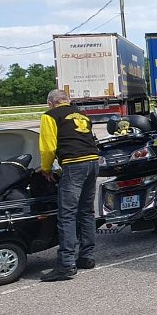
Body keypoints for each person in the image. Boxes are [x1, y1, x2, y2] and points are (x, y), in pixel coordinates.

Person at [38, 89, 100, 281]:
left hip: (74, 164)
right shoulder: (82, 114)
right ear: (68, 101)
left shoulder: (50, 115)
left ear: (51, 103)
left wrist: (46, 169)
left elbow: (48, 147)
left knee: (67, 214)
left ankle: (65, 264)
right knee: (87, 212)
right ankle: (87, 257)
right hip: (93, 162)